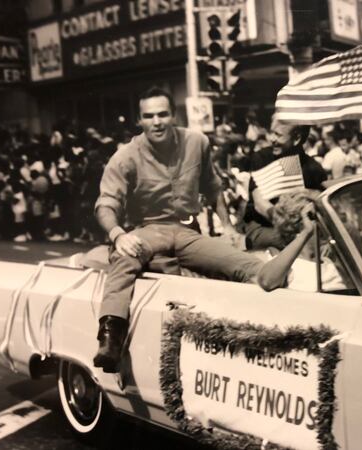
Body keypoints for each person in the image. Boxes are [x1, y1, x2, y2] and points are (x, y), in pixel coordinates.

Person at [93, 87, 264, 372]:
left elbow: (212, 187)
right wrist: (118, 235)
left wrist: (229, 227)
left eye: (163, 114)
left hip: (187, 231)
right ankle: (111, 337)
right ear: (140, 120)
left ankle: (258, 332)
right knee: (123, 259)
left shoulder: (197, 142)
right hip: (147, 230)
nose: (157, 121)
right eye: (149, 116)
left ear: (174, 115)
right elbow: (106, 203)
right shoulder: (125, 157)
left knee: (246, 264)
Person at [244, 117, 327, 250]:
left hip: (303, 230)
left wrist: (309, 194)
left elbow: (323, 202)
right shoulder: (261, 158)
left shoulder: (314, 169)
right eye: (271, 133)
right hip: (264, 227)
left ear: (297, 139)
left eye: (278, 135)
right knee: (303, 246)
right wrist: (288, 228)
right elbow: (260, 204)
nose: (271, 139)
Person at [256, 191, 346, 292]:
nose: (324, 226)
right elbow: (266, 282)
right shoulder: (289, 266)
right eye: (316, 219)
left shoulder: (330, 262)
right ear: (297, 227)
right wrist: (307, 232)